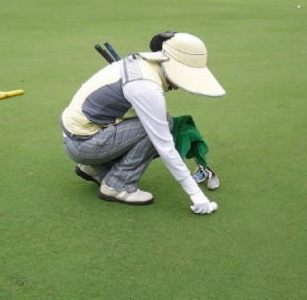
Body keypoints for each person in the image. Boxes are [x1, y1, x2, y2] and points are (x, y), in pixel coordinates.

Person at [60, 32, 225, 215]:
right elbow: (165, 146)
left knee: (159, 122)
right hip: (83, 145)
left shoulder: (143, 62)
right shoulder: (146, 86)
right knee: (162, 126)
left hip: (78, 136)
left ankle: (96, 168)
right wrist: (197, 196)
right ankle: (118, 185)